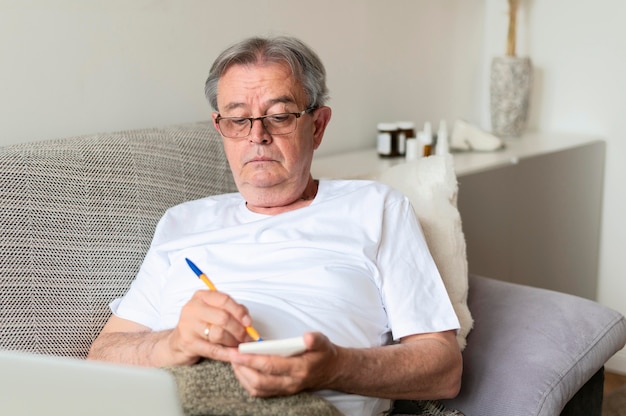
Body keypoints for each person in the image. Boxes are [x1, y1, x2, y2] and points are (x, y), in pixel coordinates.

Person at [88, 35, 462, 416]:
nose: (257, 136)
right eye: (237, 119)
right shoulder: (182, 221)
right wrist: (173, 345)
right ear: (220, 127)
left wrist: (334, 367)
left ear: (317, 126)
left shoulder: (375, 207)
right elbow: (102, 356)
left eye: (280, 116)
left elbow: (444, 369)